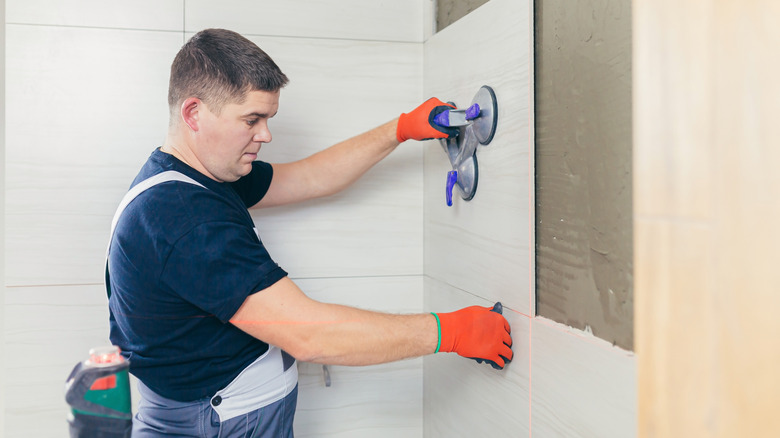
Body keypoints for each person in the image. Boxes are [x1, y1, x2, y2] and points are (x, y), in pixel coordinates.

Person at [106, 28, 513, 438]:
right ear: (194, 114)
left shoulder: (198, 176)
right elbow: (310, 334)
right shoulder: (183, 218)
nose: (265, 135)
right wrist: (451, 332)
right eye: (252, 119)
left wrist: (402, 128)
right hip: (218, 425)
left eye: (268, 119)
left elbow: (310, 177)